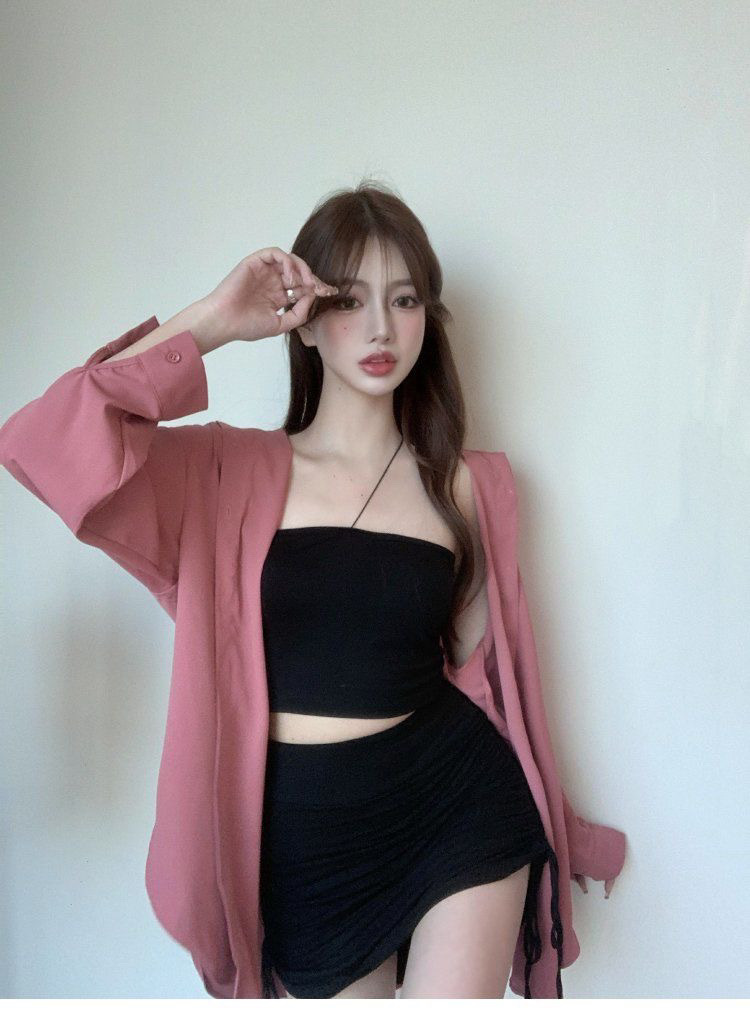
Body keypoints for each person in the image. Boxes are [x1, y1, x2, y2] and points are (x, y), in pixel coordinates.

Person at [1, 182, 594, 999]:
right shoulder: (223, 473)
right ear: (304, 319)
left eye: (405, 299)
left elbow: (480, 674)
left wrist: (554, 807)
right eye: (350, 300)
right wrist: (215, 319)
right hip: (305, 838)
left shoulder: (466, 486)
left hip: (453, 802)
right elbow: (43, 440)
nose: (382, 327)